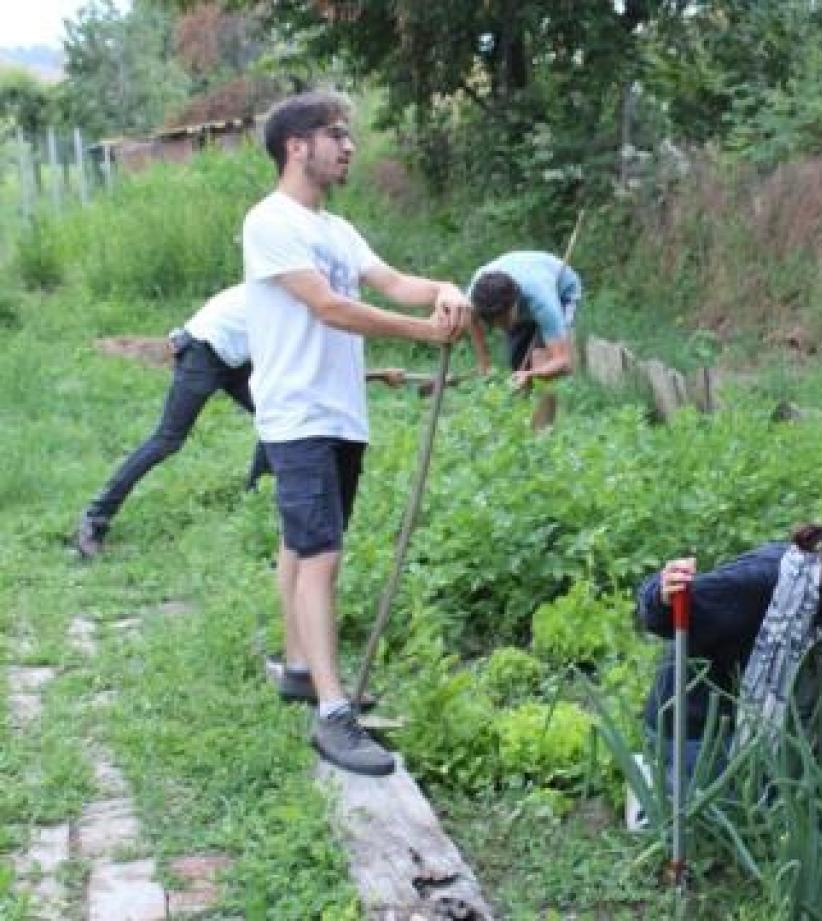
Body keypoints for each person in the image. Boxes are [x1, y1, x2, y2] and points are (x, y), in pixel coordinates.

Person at [243, 91, 470, 776]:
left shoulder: (336, 230)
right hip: (299, 412)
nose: (348, 146)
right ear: (296, 146)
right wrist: (424, 333)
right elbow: (331, 307)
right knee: (323, 555)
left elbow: (394, 281)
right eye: (335, 134)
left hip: (340, 413)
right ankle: (334, 713)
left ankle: (299, 666)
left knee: (300, 541)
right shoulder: (269, 221)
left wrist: (445, 289)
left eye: (349, 135)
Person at [637, 505, 822, 804]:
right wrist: (660, 593)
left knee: (808, 802)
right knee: (743, 812)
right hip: (693, 730)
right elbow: (662, 616)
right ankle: (656, 776)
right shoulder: (762, 582)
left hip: (751, 728)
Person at [75, 285, 270, 559]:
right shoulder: (288, 281)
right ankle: (94, 519)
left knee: (276, 422)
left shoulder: (292, 282)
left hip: (233, 355)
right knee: (167, 439)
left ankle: (255, 508)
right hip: (204, 350)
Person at [467, 251, 582, 389]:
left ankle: (548, 405)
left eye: (504, 321)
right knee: (518, 366)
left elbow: (563, 362)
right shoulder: (474, 298)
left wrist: (533, 374)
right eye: (496, 323)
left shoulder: (543, 302)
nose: (502, 327)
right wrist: (484, 364)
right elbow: (472, 321)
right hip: (525, 279)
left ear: (515, 304)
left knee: (541, 363)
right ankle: (524, 404)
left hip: (562, 290)